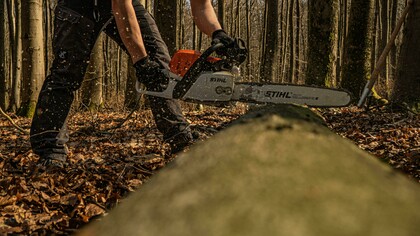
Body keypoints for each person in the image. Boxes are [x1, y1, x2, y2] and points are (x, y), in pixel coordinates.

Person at [30, 0, 236, 168]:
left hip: (123, 3)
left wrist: (219, 34)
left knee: (159, 61)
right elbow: (120, 4)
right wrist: (140, 61)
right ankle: (50, 145)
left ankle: (179, 135)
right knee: (66, 72)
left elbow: (201, 5)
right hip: (78, 4)